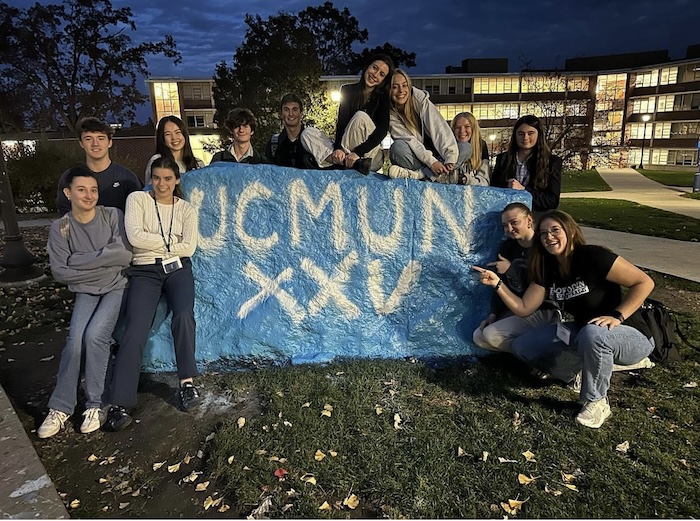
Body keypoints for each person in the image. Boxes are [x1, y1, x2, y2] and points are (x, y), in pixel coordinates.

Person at [473, 210, 655, 429]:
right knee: (524, 345)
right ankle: (577, 372)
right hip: (585, 330)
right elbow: (523, 308)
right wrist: (497, 284)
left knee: (593, 332)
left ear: (569, 230)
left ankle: (596, 400)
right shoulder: (547, 268)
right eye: (543, 233)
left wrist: (617, 315)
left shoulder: (593, 256)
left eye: (555, 230)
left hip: (632, 334)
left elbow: (644, 282)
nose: (549, 237)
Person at [106, 156, 200, 431]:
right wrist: (172, 242)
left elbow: (189, 247)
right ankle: (120, 401)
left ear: (177, 180)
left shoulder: (186, 209)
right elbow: (135, 237)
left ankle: (187, 383)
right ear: (151, 178)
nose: (162, 184)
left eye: (168, 179)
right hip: (145, 270)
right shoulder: (138, 200)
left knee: (183, 316)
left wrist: (157, 241)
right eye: (157, 178)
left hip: (178, 270)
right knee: (135, 327)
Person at [39, 167, 132, 438]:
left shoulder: (112, 215)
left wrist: (80, 260)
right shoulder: (61, 228)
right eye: (81, 190)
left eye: (93, 190)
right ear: (68, 193)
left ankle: (96, 404)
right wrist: (104, 259)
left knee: (94, 336)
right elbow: (60, 270)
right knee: (74, 339)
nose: (88, 195)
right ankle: (61, 406)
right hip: (86, 291)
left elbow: (125, 255)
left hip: (116, 287)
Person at [472, 203, 559, 352]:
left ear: (529, 221)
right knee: (479, 336)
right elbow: (501, 287)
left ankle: (546, 352)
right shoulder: (507, 247)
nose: (510, 229)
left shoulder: (543, 247)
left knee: (491, 335)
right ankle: (532, 352)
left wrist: (511, 270)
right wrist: (493, 314)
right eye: (505, 225)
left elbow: (538, 286)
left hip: (542, 309)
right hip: (515, 307)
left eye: (514, 223)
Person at [301, 54, 395, 174]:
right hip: (349, 151)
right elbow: (341, 124)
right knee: (308, 133)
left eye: (381, 74)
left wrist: (358, 152)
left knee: (360, 117)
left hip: (370, 154)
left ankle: (337, 162)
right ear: (367, 67)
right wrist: (338, 148)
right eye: (374, 68)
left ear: (383, 81)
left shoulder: (382, 98)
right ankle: (344, 161)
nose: (375, 75)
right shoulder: (347, 90)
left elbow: (382, 130)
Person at [386, 69, 471, 182]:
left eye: (404, 85)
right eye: (395, 87)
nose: (401, 90)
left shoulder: (420, 100)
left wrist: (450, 155)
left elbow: (439, 128)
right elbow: (411, 141)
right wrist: (432, 163)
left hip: (439, 154)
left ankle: (421, 175)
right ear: (389, 90)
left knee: (465, 147)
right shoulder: (390, 115)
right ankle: (439, 176)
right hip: (420, 158)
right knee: (397, 148)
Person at [56, 117, 142, 216]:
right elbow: (65, 214)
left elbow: (138, 214)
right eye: (88, 139)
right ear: (81, 143)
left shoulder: (127, 178)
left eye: (101, 138)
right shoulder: (70, 177)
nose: (95, 144)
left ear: (110, 142)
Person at [490, 115, 562, 214]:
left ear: (539, 135)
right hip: (508, 217)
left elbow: (552, 201)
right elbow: (493, 192)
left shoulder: (551, 162)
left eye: (530, 133)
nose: (525, 137)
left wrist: (524, 190)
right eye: (521, 133)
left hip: (536, 219)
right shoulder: (503, 159)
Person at [144, 116, 204, 184]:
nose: (174, 137)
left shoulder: (198, 164)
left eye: (177, 132)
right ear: (162, 138)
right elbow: (150, 189)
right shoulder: (157, 160)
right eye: (168, 134)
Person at [265, 93, 318, 169]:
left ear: (301, 113)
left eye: (295, 109)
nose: (291, 114)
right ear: (281, 113)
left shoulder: (313, 141)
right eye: (286, 110)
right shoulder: (273, 144)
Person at [451, 112, 490, 185]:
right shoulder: (446, 147)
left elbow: (485, 182)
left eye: (467, 126)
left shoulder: (481, 145)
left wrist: (467, 180)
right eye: (458, 127)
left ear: (473, 129)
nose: (462, 131)